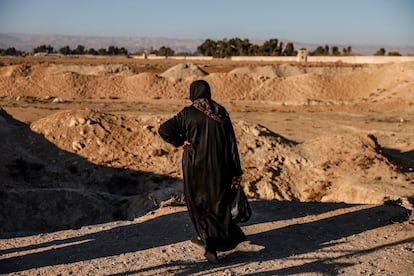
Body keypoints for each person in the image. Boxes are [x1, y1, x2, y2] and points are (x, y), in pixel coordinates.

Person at [158, 79, 247, 264]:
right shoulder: (220, 112)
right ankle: (216, 242)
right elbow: (231, 143)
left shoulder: (188, 113)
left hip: (195, 167)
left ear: (193, 93)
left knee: (199, 204)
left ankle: (208, 243)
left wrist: (180, 141)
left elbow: (164, 129)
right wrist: (236, 169)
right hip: (219, 167)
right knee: (218, 203)